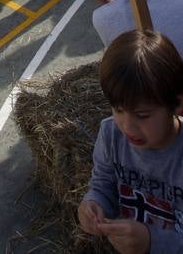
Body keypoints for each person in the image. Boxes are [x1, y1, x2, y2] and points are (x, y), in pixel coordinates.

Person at [78, 29, 183, 252]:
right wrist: (94, 203)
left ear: (176, 104)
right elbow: (103, 181)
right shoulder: (110, 134)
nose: (127, 126)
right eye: (118, 109)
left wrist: (151, 242)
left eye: (142, 115)